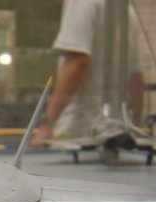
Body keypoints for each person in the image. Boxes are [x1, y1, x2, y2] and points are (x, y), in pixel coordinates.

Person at [33, 0, 144, 144]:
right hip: (117, 133)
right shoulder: (126, 11)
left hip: (77, 132)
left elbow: (78, 62)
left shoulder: (80, 3)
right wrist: (134, 125)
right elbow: (136, 78)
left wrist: (47, 125)